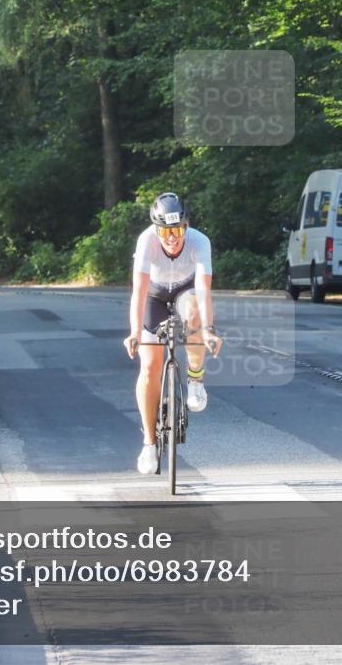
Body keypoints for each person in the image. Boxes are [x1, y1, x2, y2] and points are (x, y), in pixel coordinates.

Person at [123, 193, 222, 475]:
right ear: (156, 230)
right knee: (150, 367)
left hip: (185, 290)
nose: (171, 238)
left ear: (186, 226)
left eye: (177, 230)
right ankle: (149, 444)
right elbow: (139, 293)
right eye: (165, 231)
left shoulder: (200, 242)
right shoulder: (146, 242)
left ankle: (195, 380)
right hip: (154, 296)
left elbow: (203, 291)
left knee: (192, 311)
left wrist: (210, 330)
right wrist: (133, 332)